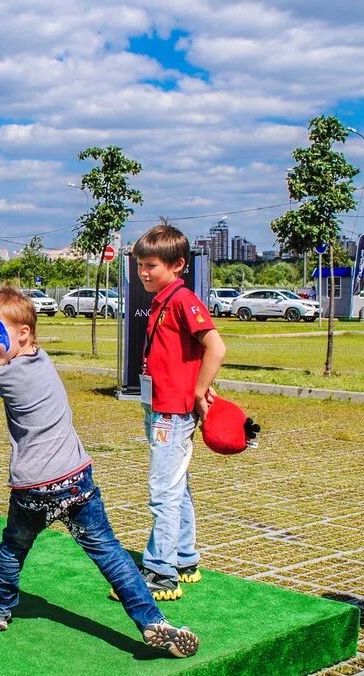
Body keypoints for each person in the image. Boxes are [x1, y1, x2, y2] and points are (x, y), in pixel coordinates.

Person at [0, 287, 199, 657]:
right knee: (111, 555)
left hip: (33, 490)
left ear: (23, 334)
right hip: (77, 481)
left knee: (12, 549)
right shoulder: (42, 359)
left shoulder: (5, 378)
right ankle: (151, 620)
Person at [131, 222, 226, 602]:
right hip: (159, 405)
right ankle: (185, 558)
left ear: (178, 265)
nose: (143, 272)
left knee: (163, 491)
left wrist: (200, 388)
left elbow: (216, 348)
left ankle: (160, 572)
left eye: (151, 265)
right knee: (177, 486)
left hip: (172, 411)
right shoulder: (162, 300)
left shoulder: (183, 300)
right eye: (140, 265)